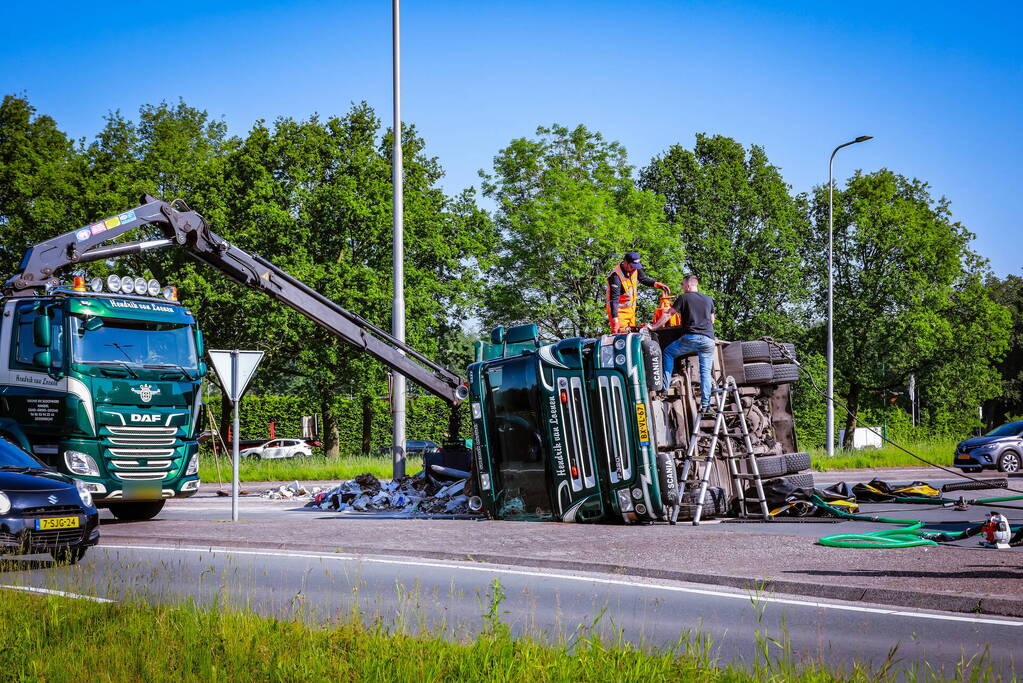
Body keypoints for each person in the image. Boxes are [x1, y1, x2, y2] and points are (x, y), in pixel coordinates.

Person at [646, 274, 716, 410]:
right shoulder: (708, 299)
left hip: (692, 338)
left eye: (683, 285)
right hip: (709, 340)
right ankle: (706, 403)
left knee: (667, 353)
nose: (682, 287)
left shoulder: (684, 298)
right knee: (705, 373)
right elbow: (712, 320)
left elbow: (668, 314)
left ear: (689, 285)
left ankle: (664, 389)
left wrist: (654, 327)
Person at [606, 251, 668, 333]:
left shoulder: (635, 268)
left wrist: (656, 284)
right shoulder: (616, 276)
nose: (634, 269)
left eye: (636, 267)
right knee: (622, 336)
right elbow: (614, 300)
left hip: (631, 311)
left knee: (633, 334)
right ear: (625, 263)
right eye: (632, 266)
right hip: (619, 313)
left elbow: (643, 279)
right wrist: (615, 321)